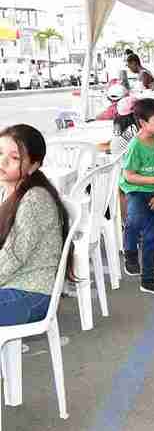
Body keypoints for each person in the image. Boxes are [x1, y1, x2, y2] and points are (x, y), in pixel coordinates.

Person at [0, 125, 74, 325]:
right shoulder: (6, 190)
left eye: (15, 158)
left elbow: (12, 257)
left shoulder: (34, 199)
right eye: (0, 152)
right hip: (11, 284)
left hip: (31, 293)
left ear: (33, 165)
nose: (3, 161)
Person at [119, 99, 154, 295]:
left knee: (152, 237)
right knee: (135, 222)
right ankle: (130, 252)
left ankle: (148, 279)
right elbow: (128, 175)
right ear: (143, 123)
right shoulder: (135, 146)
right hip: (135, 191)